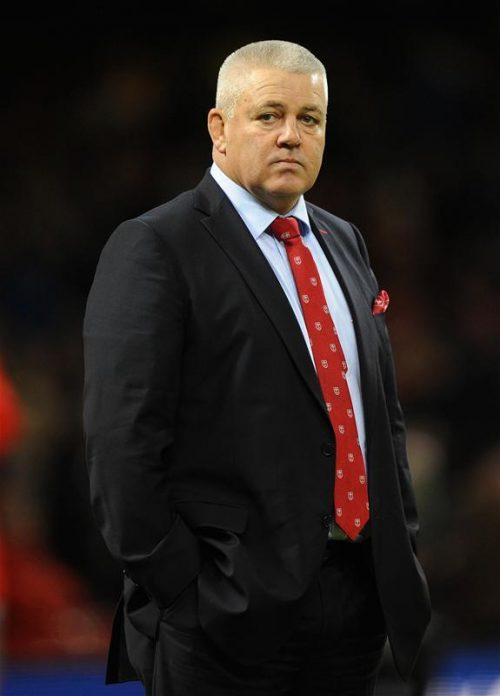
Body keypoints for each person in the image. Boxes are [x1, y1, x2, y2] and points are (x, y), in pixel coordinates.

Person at [83, 39, 431, 696]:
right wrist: (187, 590)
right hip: (222, 616)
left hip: (355, 604)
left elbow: (380, 418)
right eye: (269, 115)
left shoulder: (345, 241)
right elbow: (121, 444)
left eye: (310, 119)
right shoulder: (156, 245)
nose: (291, 135)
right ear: (219, 128)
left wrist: (399, 545)